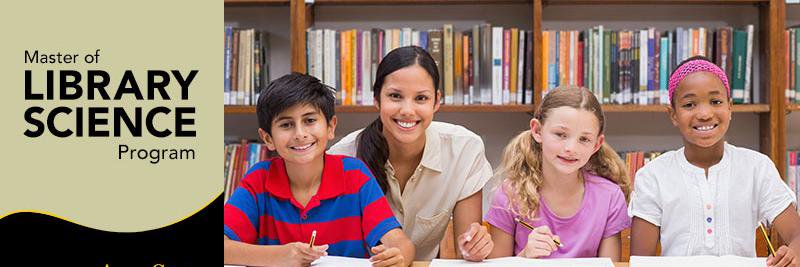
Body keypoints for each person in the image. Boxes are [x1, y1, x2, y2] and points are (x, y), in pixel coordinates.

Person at [224, 73, 414, 267]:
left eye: (309, 121)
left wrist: (398, 256)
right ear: (267, 139)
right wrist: (280, 256)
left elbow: (401, 243)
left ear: (331, 127)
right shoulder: (259, 180)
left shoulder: (355, 175)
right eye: (286, 125)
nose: (300, 134)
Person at [629, 56, 799, 267]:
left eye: (716, 102)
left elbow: (796, 237)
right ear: (673, 114)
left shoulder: (757, 168)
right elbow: (639, 261)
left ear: (730, 107)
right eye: (689, 104)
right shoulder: (652, 176)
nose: (705, 114)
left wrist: (793, 254)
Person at [328, 46, 494, 261]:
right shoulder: (343, 158)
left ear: (436, 101)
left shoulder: (464, 150)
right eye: (395, 96)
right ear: (376, 99)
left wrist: (474, 247)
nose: (407, 110)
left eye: (421, 98)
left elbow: (466, 250)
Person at [485, 86, 631, 261]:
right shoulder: (510, 194)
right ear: (537, 131)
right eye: (561, 134)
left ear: (597, 144)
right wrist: (524, 257)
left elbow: (610, 264)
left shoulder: (610, 197)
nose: (570, 148)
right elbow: (496, 264)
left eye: (584, 139)